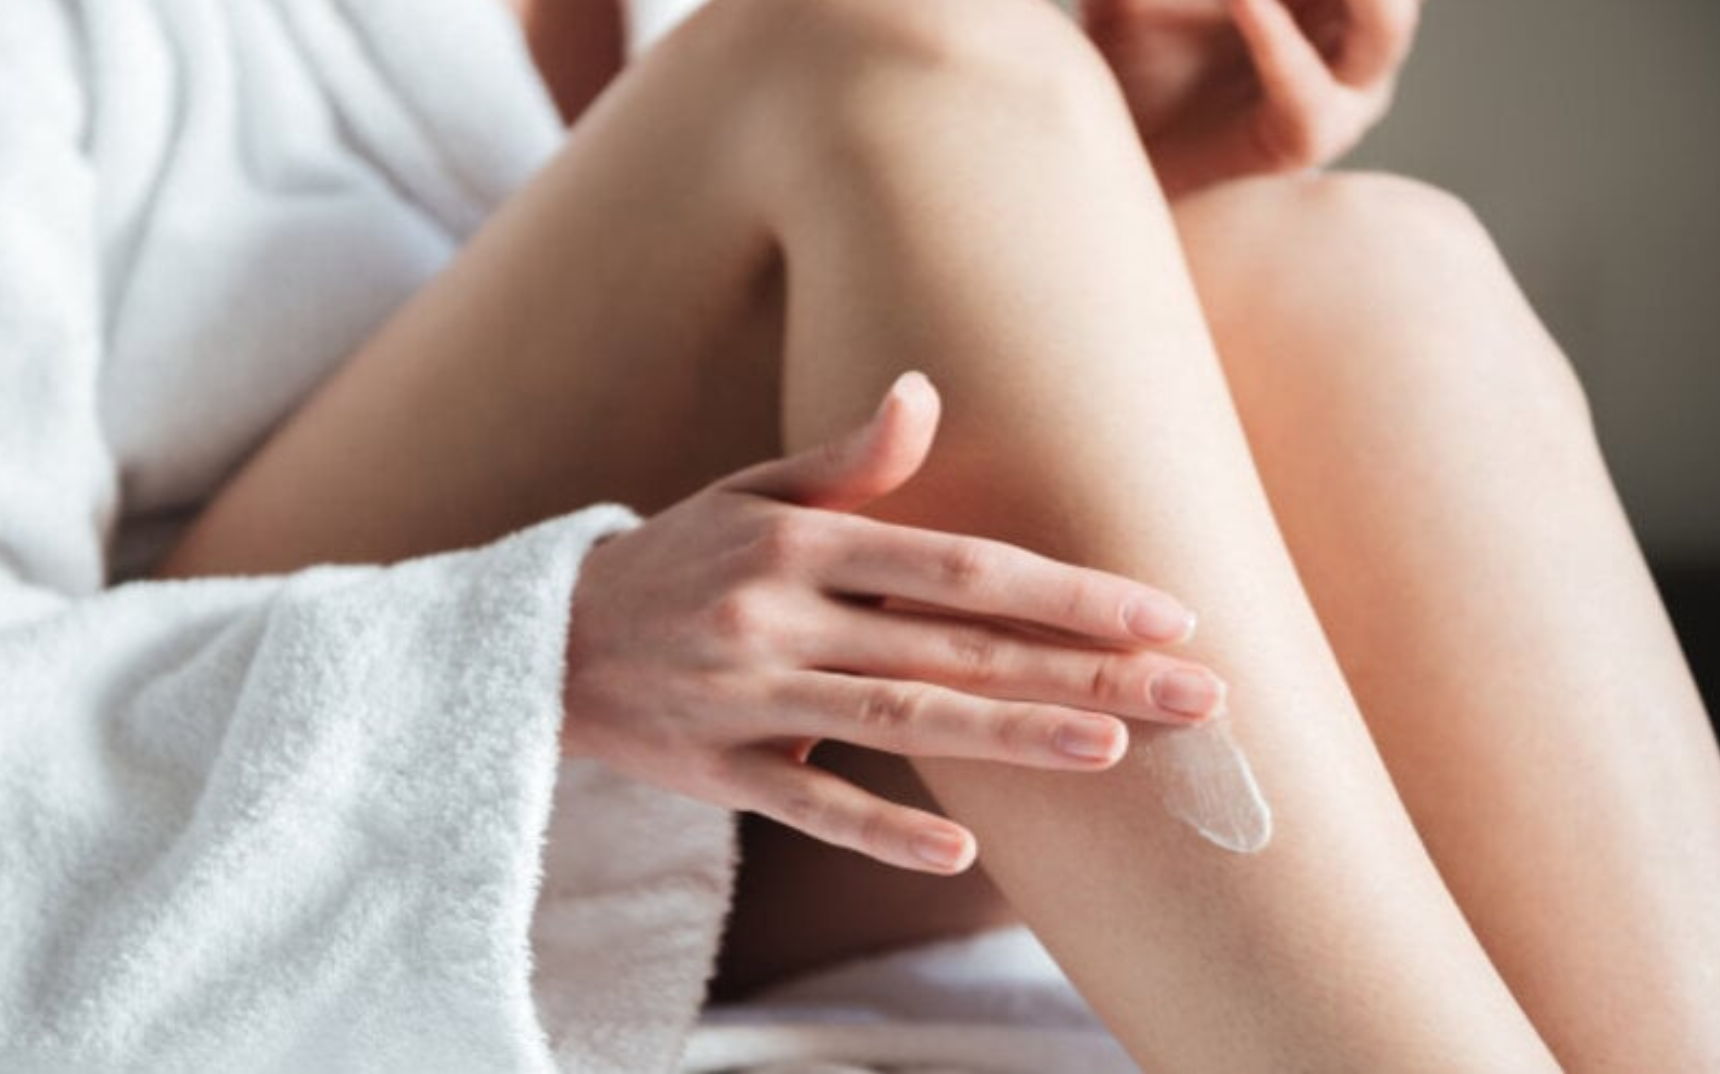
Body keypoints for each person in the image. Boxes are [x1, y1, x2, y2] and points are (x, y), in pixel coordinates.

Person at [2, 0, 1716, 1070]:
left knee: (1357, 268)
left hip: (776, 812)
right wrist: (540, 648)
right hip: (287, 829)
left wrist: (1090, 187)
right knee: (889, 58)